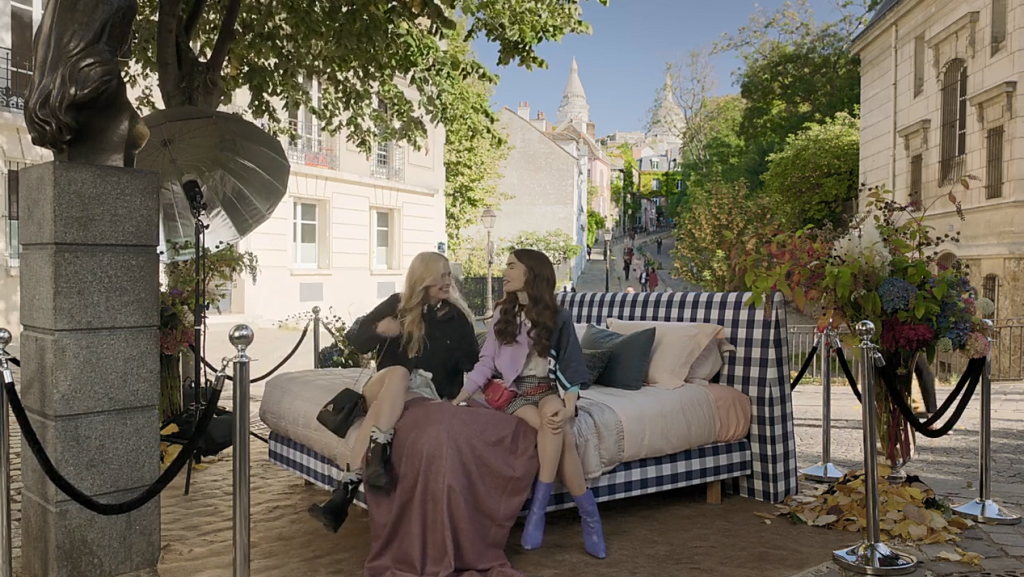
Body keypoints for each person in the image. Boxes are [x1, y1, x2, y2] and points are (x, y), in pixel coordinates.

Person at [307, 252, 480, 532]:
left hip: (422, 393)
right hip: (384, 384)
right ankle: (377, 458)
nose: (447, 282)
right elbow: (357, 342)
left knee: (383, 409)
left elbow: (472, 364)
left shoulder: (457, 318)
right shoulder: (397, 305)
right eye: (440, 276)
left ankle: (344, 492)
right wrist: (379, 329)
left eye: (448, 275)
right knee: (399, 374)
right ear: (422, 279)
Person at [452, 249, 607, 559]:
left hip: (546, 389)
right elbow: (486, 364)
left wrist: (568, 404)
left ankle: (545, 511)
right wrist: (460, 398)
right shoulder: (502, 313)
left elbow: (572, 365)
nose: (504, 271)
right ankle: (583, 517)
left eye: (511, 266)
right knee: (557, 431)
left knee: (555, 418)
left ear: (530, 274)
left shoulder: (558, 317)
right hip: (512, 393)